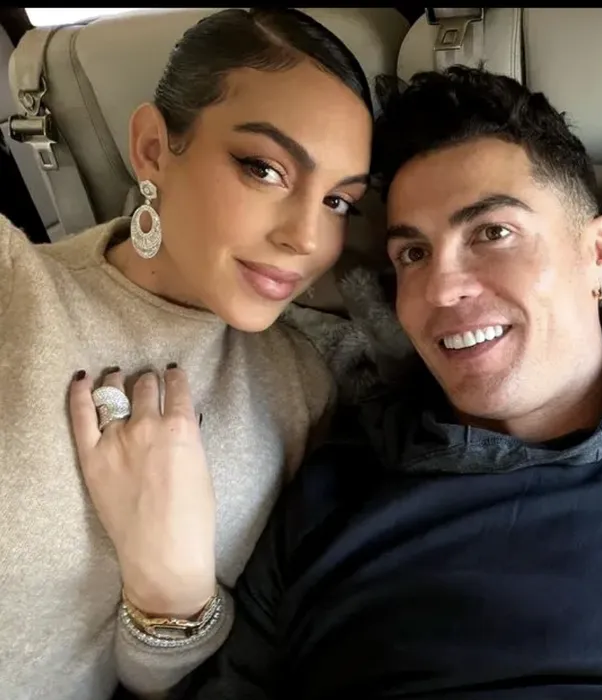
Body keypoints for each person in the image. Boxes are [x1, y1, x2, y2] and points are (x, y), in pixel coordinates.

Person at [72, 64, 602, 699]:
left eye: (493, 233)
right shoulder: (331, 491)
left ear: (598, 252)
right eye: (412, 255)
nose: (441, 289)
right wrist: (168, 593)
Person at [0, 8, 373, 700]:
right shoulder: (12, 285)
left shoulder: (302, 388)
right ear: (151, 149)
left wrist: (169, 593)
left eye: (338, 202)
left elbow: (168, 683)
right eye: (264, 169)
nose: (305, 238)